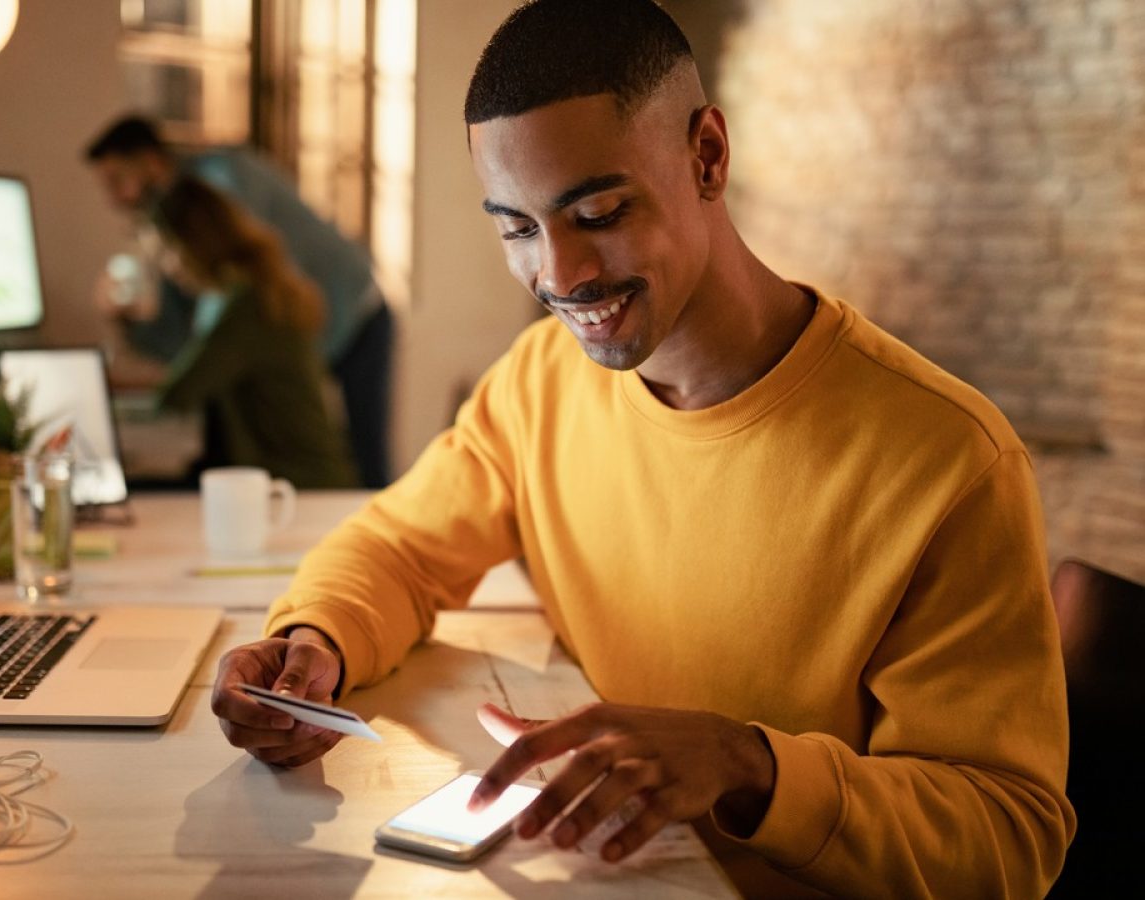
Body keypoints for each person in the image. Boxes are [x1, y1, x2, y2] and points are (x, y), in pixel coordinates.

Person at [205, 1, 1075, 896]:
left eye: (599, 211)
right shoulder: (543, 378)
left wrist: (753, 766)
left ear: (707, 156)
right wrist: (315, 647)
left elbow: (1009, 840)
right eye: (516, 227)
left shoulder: (949, 461)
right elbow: (399, 546)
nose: (559, 274)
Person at [85, 117, 393, 488]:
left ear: (151, 162)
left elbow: (243, 300)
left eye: (118, 181)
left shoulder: (219, 185)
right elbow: (188, 341)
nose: (114, 198)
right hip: (306, 318)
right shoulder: (179, 223)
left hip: (356, 311)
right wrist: (131, 323)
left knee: (363, 460)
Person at [149, 174, 358, 490]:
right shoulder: (252, 288)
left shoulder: (245, 305)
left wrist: (133, 325)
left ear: (194, 243)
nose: (167, 266)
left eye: (168, 250)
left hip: (302, 486)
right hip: (306, 477)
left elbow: (178, 394)